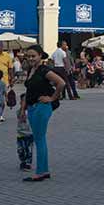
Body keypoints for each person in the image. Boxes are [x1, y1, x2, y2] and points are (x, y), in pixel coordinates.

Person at [20, 45, 66, 182]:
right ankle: (43, 170)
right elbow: (29, 91)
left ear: (40, 56)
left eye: (33, 56)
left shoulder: (44, 70)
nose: (30, 58)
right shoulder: (31, 70)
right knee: (40, 139)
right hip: (32, 107)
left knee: (39, 139)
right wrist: (23, 108)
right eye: (28, 56)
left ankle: (41, 172)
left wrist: (52, 98)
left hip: (42, 107)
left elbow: (61, 83)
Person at [16, 107, 34, 171]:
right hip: (20, 134)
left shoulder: (32, 111)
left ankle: (28, 163)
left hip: (29, 134)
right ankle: (23, 161)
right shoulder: (19, 111)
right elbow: (19, 116)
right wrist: (22, 110)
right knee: (20, 149)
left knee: (28, 149)